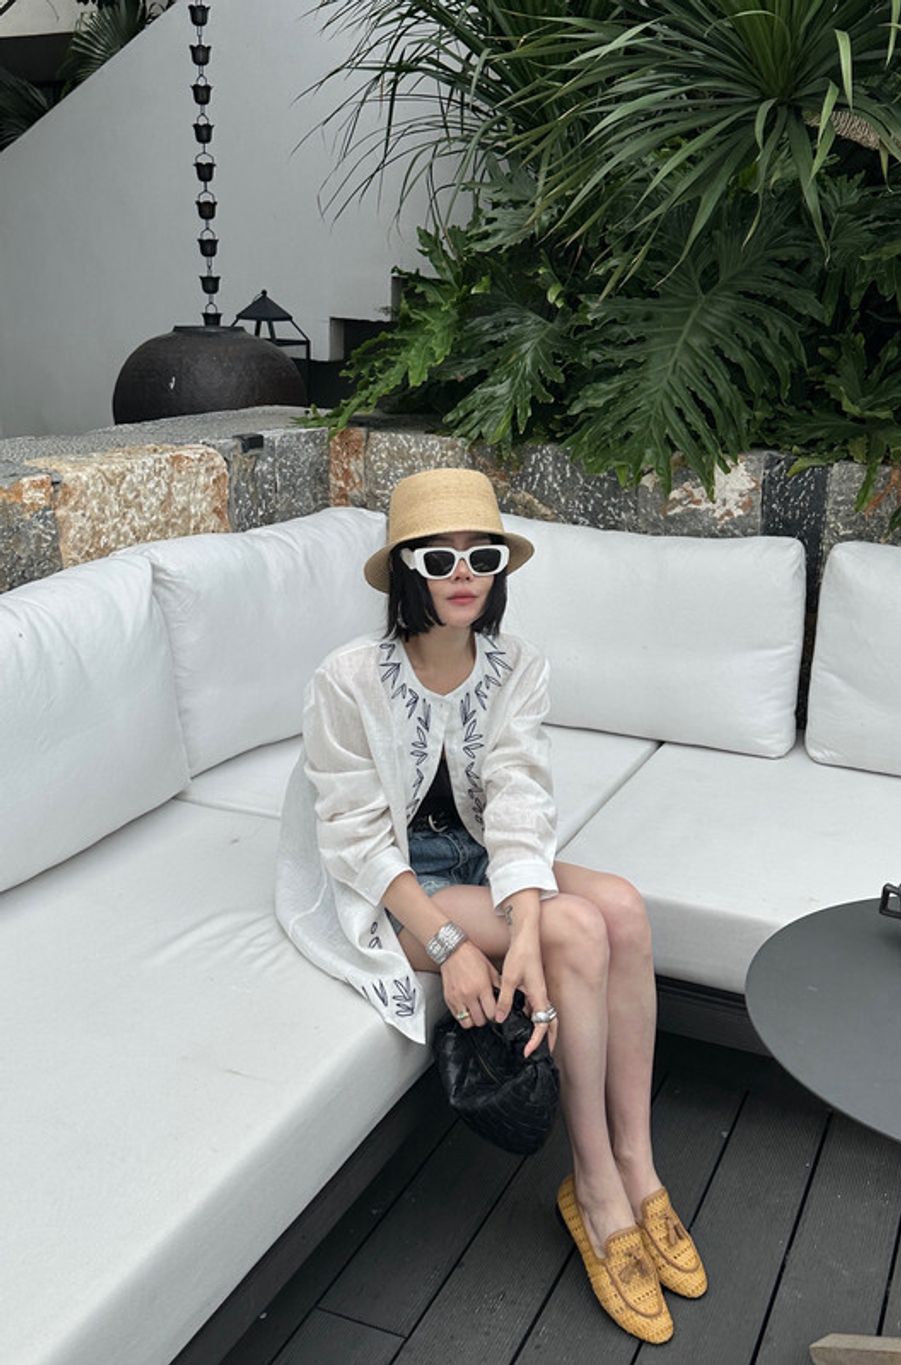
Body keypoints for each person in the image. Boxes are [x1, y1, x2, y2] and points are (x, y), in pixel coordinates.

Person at [274, 467, 706, 1344]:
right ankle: (594, 1187)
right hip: (386, 884)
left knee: (621, 908)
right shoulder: (347, 679)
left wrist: (525, 927)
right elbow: (354, 840)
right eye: (440, 558)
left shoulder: (516, 668)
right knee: (579, 927)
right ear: (406, 571)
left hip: (473, 856)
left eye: (482, 555)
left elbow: (517, 803)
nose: (464, 572)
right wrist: (451, 943)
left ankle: (638, 1164)